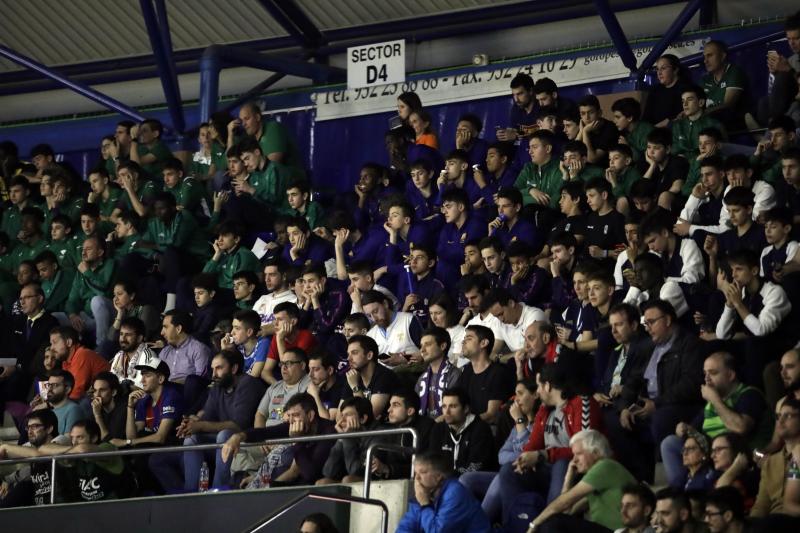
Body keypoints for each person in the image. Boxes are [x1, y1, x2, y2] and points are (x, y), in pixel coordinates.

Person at [150, 349, 266, 492]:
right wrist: (191, 424)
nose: (213, 374)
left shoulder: (248, 384)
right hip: (222, 441)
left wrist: (201, 425)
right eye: (212, 369)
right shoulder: (218, 387)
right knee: (191, 438)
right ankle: (191, 494)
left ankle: (218, 491)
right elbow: (207, 417)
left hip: (247, 442)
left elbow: (238, 425)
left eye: (219, 368)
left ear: (234, 368)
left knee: (225, 435)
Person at [661, 351, 769, 488]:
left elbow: (741, 428)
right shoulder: (712, 401)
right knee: (670, 443)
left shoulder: (749, 395)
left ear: (730, 375)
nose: (706, 379)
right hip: (710, 452)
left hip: (734, 452)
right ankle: (682, 490)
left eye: (712, 373)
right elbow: (691, 429)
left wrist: (714, 399)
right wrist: (683, 428)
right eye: (705, 373)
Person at [460, 378, 538, 524]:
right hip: (509, 472)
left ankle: (478, 526)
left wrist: (520, 421)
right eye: (515, 395)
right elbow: (501, 455)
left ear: (535, 395)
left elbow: (529, 453)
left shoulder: (539, 422)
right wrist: (518, 455)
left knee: (501, 477)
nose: (517, 400)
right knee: (466, 479)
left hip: (530, 476)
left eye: (520, 394)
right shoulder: (518, 426)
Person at [526, 430, 636, 533]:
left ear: (596, 452)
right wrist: (569, 477)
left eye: (578, 454)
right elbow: (567, 511)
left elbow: (564, 502)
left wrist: (534, 524)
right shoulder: (598, 481)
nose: (574, 460)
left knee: (554, 523)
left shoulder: (605, 466)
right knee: (554, 520)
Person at [221, 392, 336, 487]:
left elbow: (310, 474)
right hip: (294, 480)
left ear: (310, 415)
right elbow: (266, 432)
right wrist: (238, 436)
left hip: (314, 485)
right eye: (289, 416)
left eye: (295, 415)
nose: (291, 421)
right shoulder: (294, 424)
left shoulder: (329, 432)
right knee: (238, 479)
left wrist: (297, 441)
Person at [396, 450, 492, 533]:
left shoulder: (455, 493)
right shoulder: (424, 493)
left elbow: (437, 531)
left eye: (423, 472)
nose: (417, 478)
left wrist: (425, 504)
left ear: (439, 476)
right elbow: (405, 527)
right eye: (415, 473)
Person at [426, 387, 496, 474]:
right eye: (444, 406)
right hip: (445, 479)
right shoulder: (438, 429)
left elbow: (476, 466)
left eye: (453, 406)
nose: (447, 412)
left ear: (466, 409)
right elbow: (433, 460)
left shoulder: (481, 429)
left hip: (474, 480)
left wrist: (449, 476)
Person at [751, 396, 800, 517]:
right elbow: (761, 506)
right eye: (778, 417)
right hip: (773, 521)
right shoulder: (770, 462)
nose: (780, 421)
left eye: (788, 416)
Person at [0, 409, 60, 506]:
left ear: (49, 429)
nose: (30, 431)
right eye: (28, 427)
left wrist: (5, 447)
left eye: (35, 426)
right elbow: (28, 472)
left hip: (59, 508)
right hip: (36, 508)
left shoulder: (61, 441)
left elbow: (41, 454)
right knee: (23, 487)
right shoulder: (33, 448)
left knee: (24, 487)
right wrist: (7, 480)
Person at [456, 325, 514, 424]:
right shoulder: (467, 371)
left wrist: (462, 423)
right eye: (464, 338)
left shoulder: (498, 373)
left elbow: (491, 415)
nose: (463, 342)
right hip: (469, 428)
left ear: (483, 343)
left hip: (489, 431)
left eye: (469, 338)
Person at [342, 334, 400, 419]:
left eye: (354, 353)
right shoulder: (353, 377)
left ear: (369, 355)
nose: (348, 358)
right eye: (348, 354)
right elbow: (339, 417)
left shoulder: (384, 376)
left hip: (385, 429)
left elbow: (369, 416)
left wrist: (355, 388)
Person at [48, 326, 110, 401]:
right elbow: (64, 388)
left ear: (69, 342)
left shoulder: (82, 354)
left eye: (55, 342)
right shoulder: (65, 361)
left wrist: (51, 404)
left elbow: (76, 393)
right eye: (51, 344)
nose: (51, 348)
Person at [700, 40, 750, 132]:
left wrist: (702, 113)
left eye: (710, 55)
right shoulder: (705, 79)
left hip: (733, 121)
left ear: (722, 56)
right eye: (704, 57)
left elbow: (728, 104)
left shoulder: (734, 72)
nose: (705, 61)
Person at [254, 347, 310, 427]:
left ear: (302, 365)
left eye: (288, 363)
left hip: (291, 435)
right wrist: (259, 435)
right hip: (268, 436)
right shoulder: (274, 387)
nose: (283, 367)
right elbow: (260, 415)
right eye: (282, 364)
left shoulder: (309, 384)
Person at [415, 327, 462, 419]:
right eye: (421, 346)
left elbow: (456, 409)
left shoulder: (454, 374)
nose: (422, 350)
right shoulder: (422, 378)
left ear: (442, 346)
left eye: (427, 344)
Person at [157, 310, 212, 384]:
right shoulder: (165, 351)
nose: (162, 333)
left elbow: (200, 381)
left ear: (178, 329)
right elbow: (155, 376)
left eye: (165, 327)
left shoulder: (199, 350)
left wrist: (171, 384)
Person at [109, 317, 159, 389]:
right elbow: (111, 381)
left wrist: (125, 387)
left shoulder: (148, 355)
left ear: (139, 338)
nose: (123, 339)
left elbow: (146, 387)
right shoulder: (118, 356)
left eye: (128, 335)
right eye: (121, 334)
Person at [643, 54, 691, 128]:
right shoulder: (655, 90)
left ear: (675, 70)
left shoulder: (686, 89)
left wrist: (654, 129)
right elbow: (646, 117)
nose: (659, 73)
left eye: (663, 68)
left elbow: (679, 117)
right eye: (657, 69)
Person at [306, 352, 346, 420]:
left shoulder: (341, 389)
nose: (310, 375)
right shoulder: (313, 388)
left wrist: (315, 396)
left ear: (330, 370)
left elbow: (328, 421)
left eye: (315, 369)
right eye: (309, 369)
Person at [90, 371, 127, 441]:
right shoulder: (96, 409)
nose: (97, 395)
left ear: (113, 392)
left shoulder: (124, 410)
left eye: (102, 390)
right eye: (95, 390)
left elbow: (109, 441)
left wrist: (97, 415)